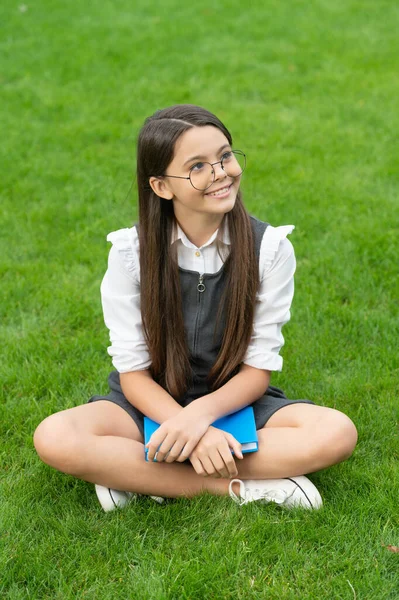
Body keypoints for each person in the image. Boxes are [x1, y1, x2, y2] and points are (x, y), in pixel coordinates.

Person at [33, 104, 358, 511]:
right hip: (147, 401)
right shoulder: (130, 253)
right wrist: (192, 431)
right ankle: (241, 488)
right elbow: (133, 374)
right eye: (198, 166)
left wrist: (198, 419)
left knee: (337, 432)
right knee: (54, 437)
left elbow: (258, 370)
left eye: (225, 156)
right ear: (161, 187)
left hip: (234, 399)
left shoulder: (270, 249)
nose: (221, 172)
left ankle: (137, 475)